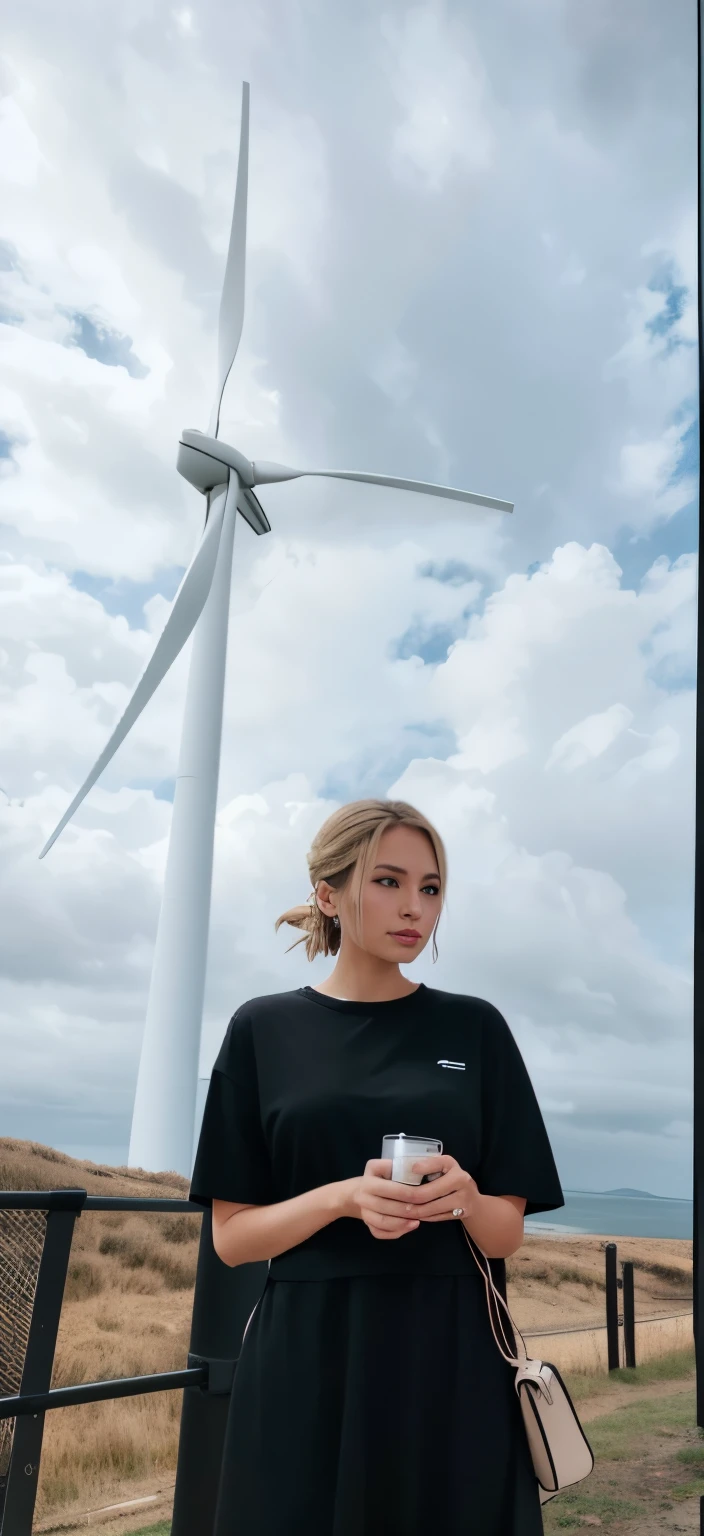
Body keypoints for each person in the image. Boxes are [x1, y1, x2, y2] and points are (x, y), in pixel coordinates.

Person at [188, 797, 565, 1534]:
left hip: (451, 1350)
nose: (414, 907)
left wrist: (463, 1198)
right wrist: (339, 1197)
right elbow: (232, 1239)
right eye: (388, 881)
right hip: (307, 1353)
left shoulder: (476, 1027)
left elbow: (505, 1234)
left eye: (430, 888)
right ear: (328, 895)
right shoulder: (262, 1028)